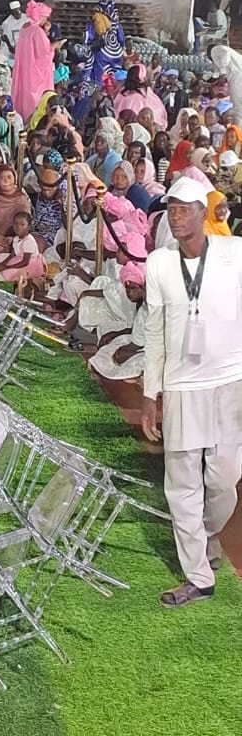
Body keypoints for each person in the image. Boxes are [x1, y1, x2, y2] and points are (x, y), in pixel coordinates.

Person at [142, 176, 242, 607]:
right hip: (181, 385)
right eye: (172, 209)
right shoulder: (158, 264)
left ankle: (206, 533)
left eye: (185, 209)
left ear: (203, 213)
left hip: (229, 380)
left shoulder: (234, 254)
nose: (177, 216)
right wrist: (150, 393)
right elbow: (154, 331)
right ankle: (198, 576)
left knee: (224, 479)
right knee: (181, 484)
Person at [89, 260, 148, 381]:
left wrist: (126, 351)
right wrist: (115, 335)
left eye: (134, 288)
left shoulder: (154, 307)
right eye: (127, 288)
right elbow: (135, 331)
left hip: (157, 351)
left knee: (139, 360)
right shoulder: (142, 306)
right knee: (113, 346)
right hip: (140, 345)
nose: (130, 293)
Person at [11, 0, 60, 124]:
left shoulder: (25, 28)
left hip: (24, 72)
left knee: (23, 98)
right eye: (46, 17)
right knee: (34, 103)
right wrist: (55, 46)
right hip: (35, 77)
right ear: (42, 16)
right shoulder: (37, 32)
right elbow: (44, 56)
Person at [0, 163, 32, 261]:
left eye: (9, 177)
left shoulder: (21, 200)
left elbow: (25, 226)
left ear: (14, 179)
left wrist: (13, 238)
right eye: (2, 178)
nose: (6, 181)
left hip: (11, 241)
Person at [0, 210, 44, 284]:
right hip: (18, 259)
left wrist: (7, 267)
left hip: (30, 264)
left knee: (9, 272)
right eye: (15, 224)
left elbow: (25, 262)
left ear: (29, 227)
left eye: (22, 225)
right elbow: (12, 255)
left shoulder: (28, 241)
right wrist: (3, 263)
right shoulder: (16, 238)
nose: (18, 227)